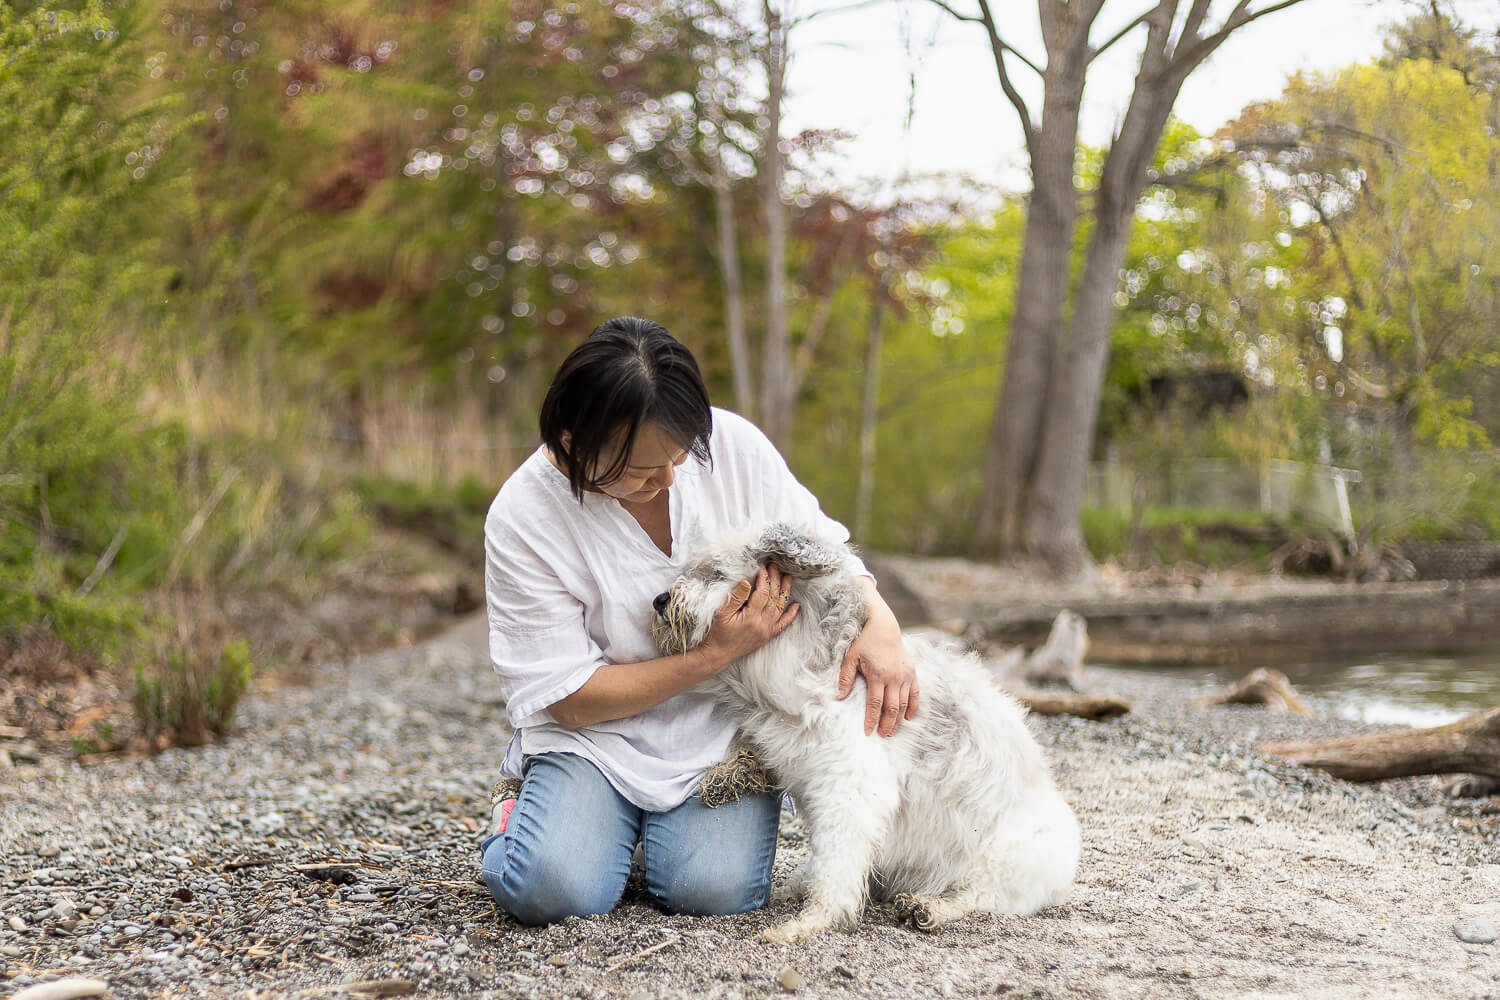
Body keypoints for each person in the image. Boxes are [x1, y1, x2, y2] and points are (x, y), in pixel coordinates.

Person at [479, 316, 918, 925]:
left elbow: (825, 547)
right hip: (594, 733)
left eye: (680, 457)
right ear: (575, 442)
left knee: (712, 894)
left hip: (719, 728)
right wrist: (713, 654)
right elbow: (571, 700)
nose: (667, 479)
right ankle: (525, 810)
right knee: (552, 893)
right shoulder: (522, 518)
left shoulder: (732, 444)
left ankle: (618, 836)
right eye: (638, 470)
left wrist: (882, 622)